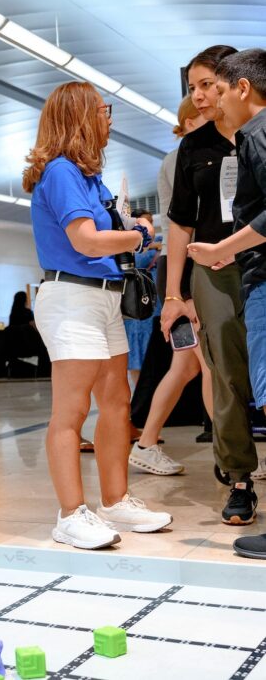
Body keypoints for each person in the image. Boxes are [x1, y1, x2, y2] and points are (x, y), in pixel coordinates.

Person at [22, 81, 172, 550]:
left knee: (116, 403)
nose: (109, 118)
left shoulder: (89, 177)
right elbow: (85, 240)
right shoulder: (62, 172)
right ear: (81, 116)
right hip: (72, 298)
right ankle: (70, 514)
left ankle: (115, 499)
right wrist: (140, 237)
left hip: (105, 297)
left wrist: (131, 231)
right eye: (103, 110)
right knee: (70, 411)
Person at [161, 45, 262, 525]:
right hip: (214, 272)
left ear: (232, 85)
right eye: (192, 88)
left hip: (261, 261)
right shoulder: (193, 148)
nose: (199, 96)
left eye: (207, 85)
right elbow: (179, 224)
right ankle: (239, 477)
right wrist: (173, 294)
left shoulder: (256, 135)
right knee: (224, 375)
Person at [187, 48, 266, 556]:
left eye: (217, 87)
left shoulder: (257, 134)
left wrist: (223, 248)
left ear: (240, 88)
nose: (209, 98)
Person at [129, 97, 211, 476]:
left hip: (184, 269)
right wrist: (185, 293)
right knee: (206, 367)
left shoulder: (187, 153)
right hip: (185, 270)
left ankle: (146, 443)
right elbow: (184, 225)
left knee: (187, 369)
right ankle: (234, 456)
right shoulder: (185, 156)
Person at [123, 210, 159, 389]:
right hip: (136, 303)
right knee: (136, 354)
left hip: (155, 304)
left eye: (151, 220)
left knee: (152, 352)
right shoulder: (128, 241)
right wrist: (153, 246)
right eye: (146, 221)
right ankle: (139, 394)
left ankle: (146, 394)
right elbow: (132, 261)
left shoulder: (158, 240)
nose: (150, 224)